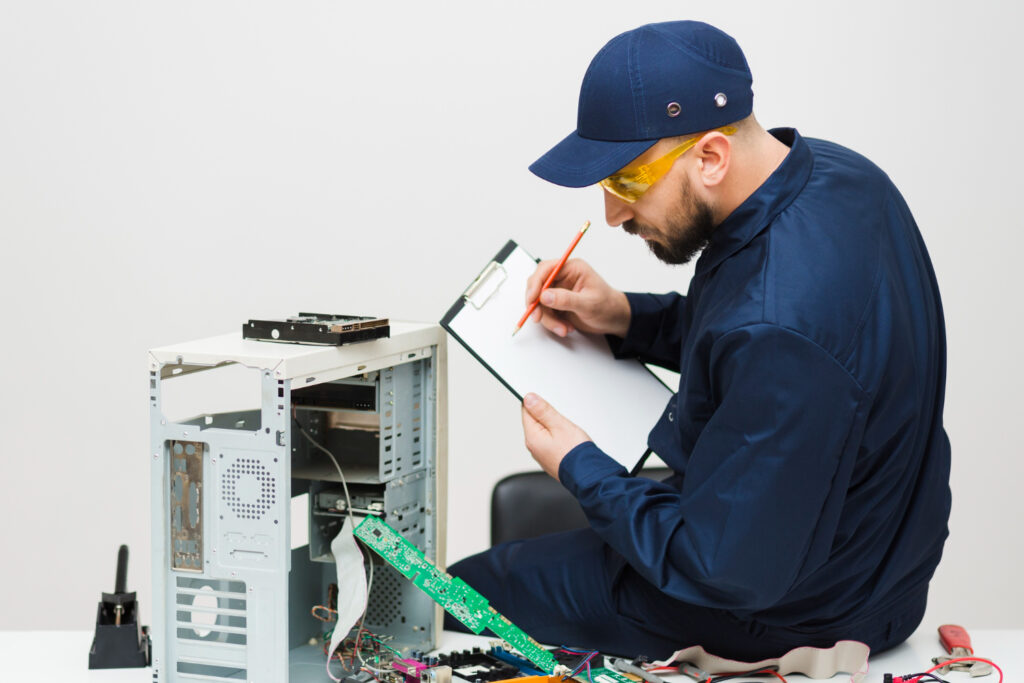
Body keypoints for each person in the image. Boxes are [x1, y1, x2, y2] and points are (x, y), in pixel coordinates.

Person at [446, 20, 951, 660]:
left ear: (710, 156)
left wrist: (579, 464)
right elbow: (770, 344)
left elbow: (719, 567)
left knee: (460, 594)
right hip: (884, 578)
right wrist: (627, 315)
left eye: (626, 182)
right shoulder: (846, 179)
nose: (613, 214)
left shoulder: (777, 326)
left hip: (788, 610)